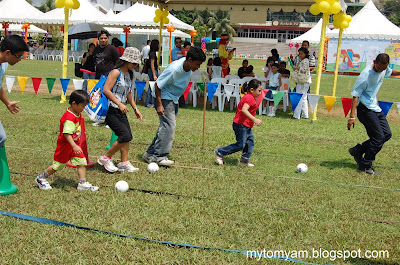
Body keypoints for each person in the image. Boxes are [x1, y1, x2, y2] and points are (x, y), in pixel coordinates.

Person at [142, 46, 206, 166]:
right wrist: (160, 105)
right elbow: (157, 85)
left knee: (165, 127)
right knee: (169, 127)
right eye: (197, 64)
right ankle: (159, 156)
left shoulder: (189, 67)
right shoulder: (174, 69)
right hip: (164, 98)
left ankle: (149, 154)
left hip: (173, 98)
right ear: (190, 60)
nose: (198, 67)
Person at [347, 53, 400, 175]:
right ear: (374, 61)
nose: (381, 70)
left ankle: (358, 150)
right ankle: (365, 166)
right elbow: (355, 96)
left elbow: (391, 72)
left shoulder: (383, 69)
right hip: (364, 109)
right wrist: (352, 117)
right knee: (378, 138)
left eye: (383, 68)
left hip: (374, 107)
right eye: (379, 67)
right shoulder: (365, 75)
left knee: (386, 134)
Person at [35, 90, 99, 191]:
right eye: (82, 106)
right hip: (66, 146)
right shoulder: (69, 117)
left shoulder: (77, 112)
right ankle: (41, 178)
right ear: (74, 103)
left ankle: (82, 183)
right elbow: (66, 134)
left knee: (82, 161)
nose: (84, 108)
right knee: (58, 165)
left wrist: (75, 145)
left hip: (74, 144)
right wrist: (74, 145)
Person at [98, 47, 143, 173]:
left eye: (136, 63)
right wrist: (119, 103)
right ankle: (105, 157)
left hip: (121, 110)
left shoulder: (129, 74)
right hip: (111, 110)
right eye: (133, 63)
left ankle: (124, 162)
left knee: (127, 136)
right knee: (124, 135)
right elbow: (106, 90)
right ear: (126, 61)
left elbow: (128, 93)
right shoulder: (115, 72)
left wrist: (135, 108)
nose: (135, 65)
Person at [215, 79, 262, 167]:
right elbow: (244, 110)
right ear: (252, 90)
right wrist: (254, 119)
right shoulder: (249, 98)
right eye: (259, 90)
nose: (260, 93)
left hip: (246, 125)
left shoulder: (250, 97)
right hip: (241, 125)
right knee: (240, 145)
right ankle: (220, 152)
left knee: (250, 142)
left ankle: (244, 161)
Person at [0, 35, 29, 150]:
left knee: (1, 138)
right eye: (18, 56)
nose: (19, 60)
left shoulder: (4, 65)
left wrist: (7, 102)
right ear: (7, 52)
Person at [292, 47, 311, 119]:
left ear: (305, 54)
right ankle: (305, 115)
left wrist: (297, 68)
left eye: (301, 54)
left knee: (299, 97)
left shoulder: (305, 61)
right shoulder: (304, 60)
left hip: (303, 81)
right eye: (299, 54)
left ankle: (296, 115)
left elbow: (304, 69)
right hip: (305, 81)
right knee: (303, 98)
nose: (300, 55)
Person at [145, 39, 159, 108]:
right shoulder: (152, 53)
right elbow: (152, 64)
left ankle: (150, 102)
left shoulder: (151, 52)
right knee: (151, 87)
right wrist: (154, 74)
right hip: (153, 71)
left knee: (152, 87)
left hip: (152, 71)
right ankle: (149, 102)